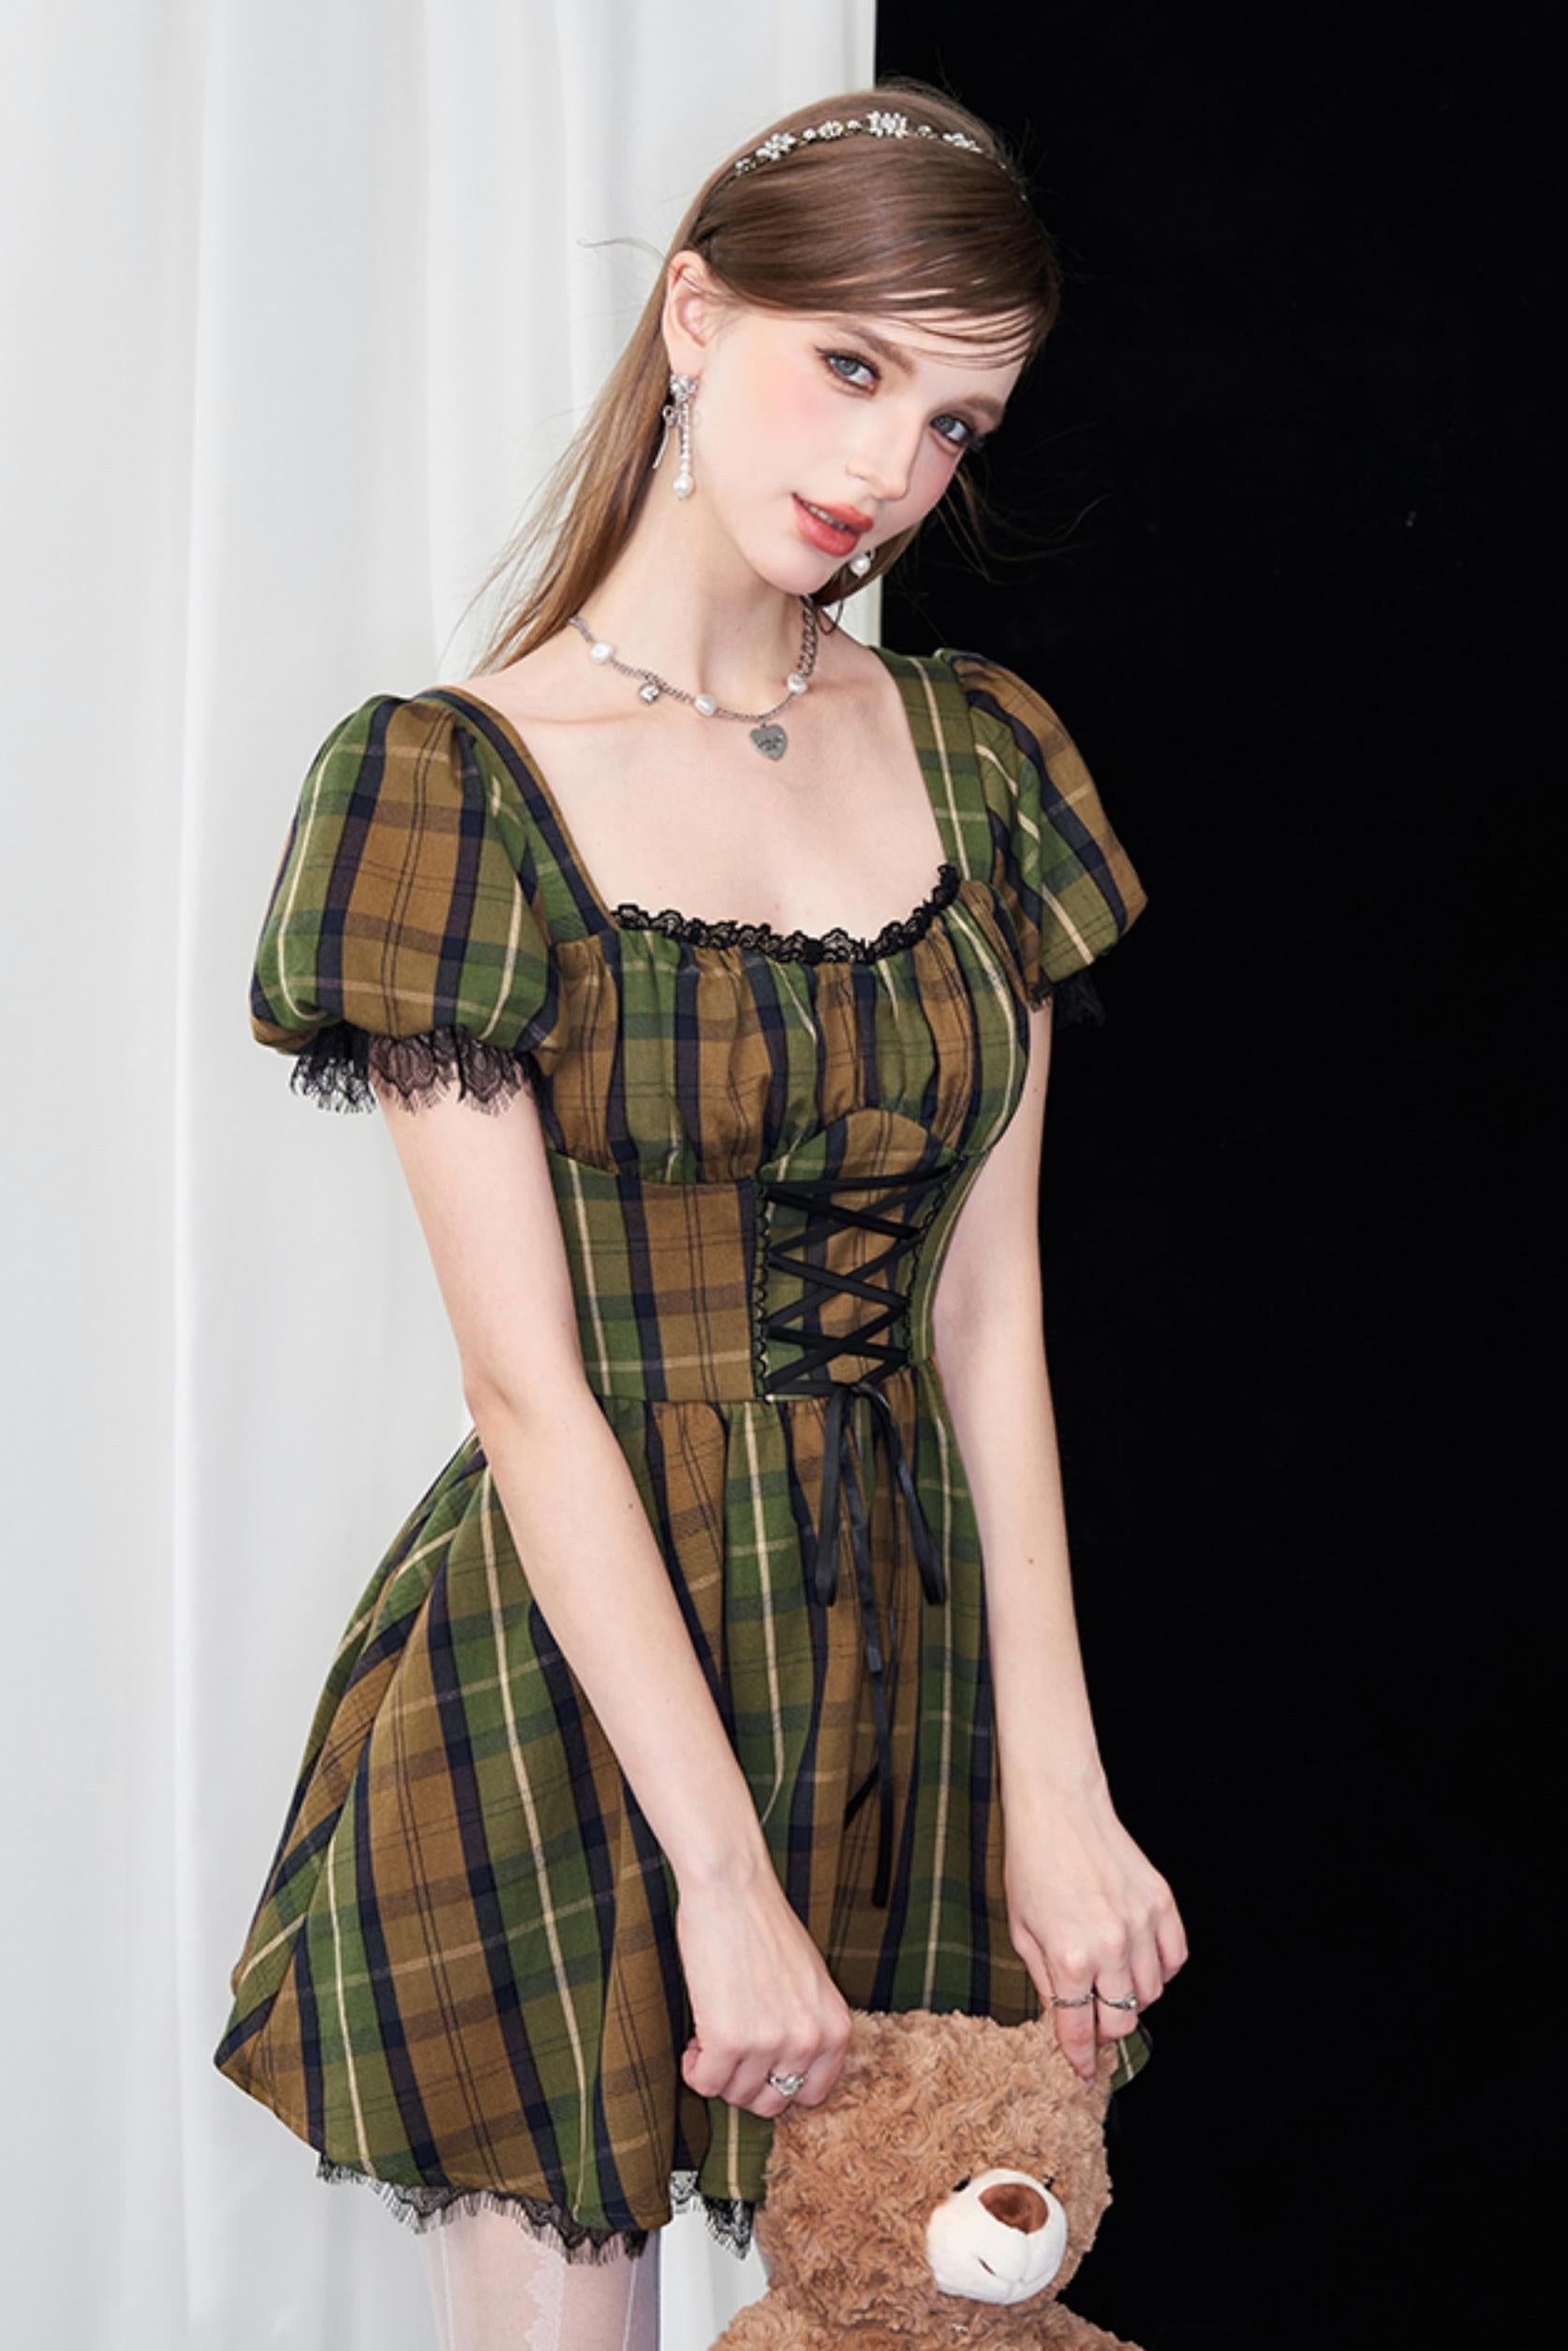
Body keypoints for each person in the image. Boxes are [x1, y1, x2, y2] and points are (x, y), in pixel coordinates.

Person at [213, 76, 1188, 2351]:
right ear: (691, 316)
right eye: (850, 366)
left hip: (903, 1655)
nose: (887, 468)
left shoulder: (981, 759)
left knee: (930, 2314)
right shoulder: (451, 787)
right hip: (581, 1691)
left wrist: (1056, 1781)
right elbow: (526, 1391)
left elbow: (989, 1321)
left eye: (953, 422)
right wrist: (719, 1878)